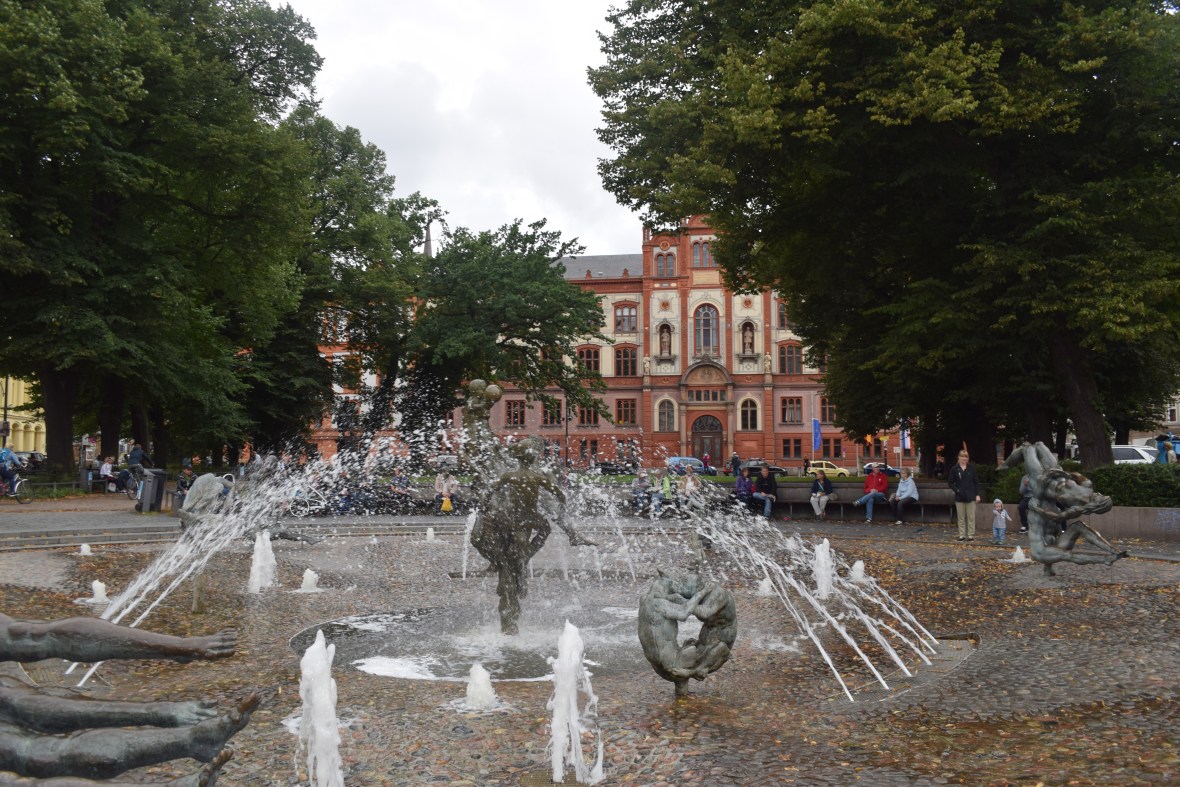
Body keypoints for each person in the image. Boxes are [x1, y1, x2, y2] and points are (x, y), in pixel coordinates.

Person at [947, 448, 981, 541]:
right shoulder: (954, 469)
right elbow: (950, 482)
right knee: (961, 517)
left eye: (966, 457)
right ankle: (961, 535)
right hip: (959, 497)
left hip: (971, 496)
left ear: (968, 458)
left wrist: (977, 494)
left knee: (971, 517)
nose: (964, 458)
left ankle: (970, 535)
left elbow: (976, 482)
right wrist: (957, 490)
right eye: (962, 456)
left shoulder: (971, 468)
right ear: (959, 457)